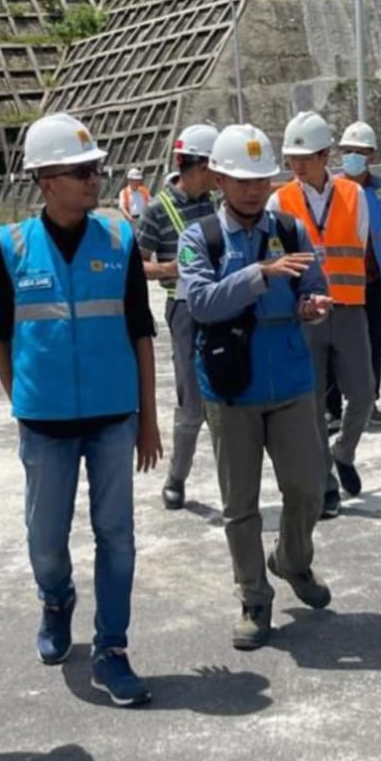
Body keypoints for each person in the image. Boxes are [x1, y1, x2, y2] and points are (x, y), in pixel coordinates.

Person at [0, 112, 161, 705]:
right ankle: (56, 601)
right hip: (45, 424)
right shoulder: (8, 248)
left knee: (117, 535)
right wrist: (23, 398)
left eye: (96, 170)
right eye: (82, 171)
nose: (94, 180)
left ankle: (112, 648)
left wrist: (149, 418)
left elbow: (140, 331)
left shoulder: (120, 241)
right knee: (45, 538)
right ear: (45, 180)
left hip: (113, 419)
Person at [177, 124, 333, 651]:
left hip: (291, 379)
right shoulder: (202, 238)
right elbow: (200, 302)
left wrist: (311, 308)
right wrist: (260, 276)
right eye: (241, 180)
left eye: (261, 179)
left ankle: (292, 560)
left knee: (308, 487)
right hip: (230, 386)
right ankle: (254, 595)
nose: (253, 189)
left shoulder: (291, 230)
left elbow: (314, 287)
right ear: (218, 178)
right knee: (239, 504)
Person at [270, 111, 374, 518]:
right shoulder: (282, 200)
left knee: (363, 393)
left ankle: (343, 450)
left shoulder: (353, 194)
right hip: (306, 313)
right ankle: (325, 482)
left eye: (306, 157)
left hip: (348, 309)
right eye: (292, 158)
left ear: (325, 154)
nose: (297, 166)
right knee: (311, 402)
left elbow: (359, 246)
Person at [136, 122, 219, 510]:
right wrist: (172, 269)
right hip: (185, 311)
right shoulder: (157, 211)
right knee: (192, 402)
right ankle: (176, 477)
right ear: (200, 166)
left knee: (229, 398)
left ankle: (234, 481)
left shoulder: (214, 203)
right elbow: (137, 267)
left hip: (221, 303)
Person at [336, 120, 381, 426]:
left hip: (373, 280)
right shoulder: (331, 189)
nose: (353, 156)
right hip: (338, 282)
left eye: (360, 151)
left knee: (371, 342)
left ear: (372, 156)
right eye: (348, 151)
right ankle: (333, 408)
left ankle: (369, 404)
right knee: (335, 345)